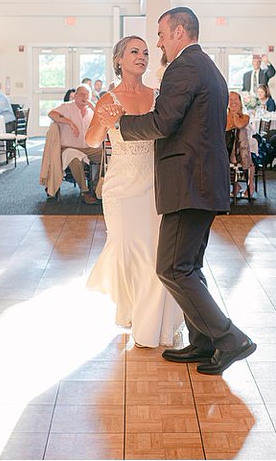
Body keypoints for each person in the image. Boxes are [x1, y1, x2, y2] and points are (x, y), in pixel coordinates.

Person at [96, 7, 255, 375]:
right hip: (201, 181)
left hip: (189, 182)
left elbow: (164, 122)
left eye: (162, 35)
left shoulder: (183, 67)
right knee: (189, 266)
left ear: (180, 32)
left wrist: (120, 123)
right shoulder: (206, 66)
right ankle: (201, 342)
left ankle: (229, 339)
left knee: (171, 267)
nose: (158, 42)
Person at [86, 36, 184, 348]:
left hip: (154, 185)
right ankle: (131, 309)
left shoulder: (158, 96)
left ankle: (150, 325)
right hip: (121, 188)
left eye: (145, 52)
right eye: (134, 52)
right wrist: (103, 123)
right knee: (127, 252)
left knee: (154, 255)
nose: (142, 57)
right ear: (119, 60)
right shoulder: (107, 99)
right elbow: (90, 140)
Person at [48, 85, 104, 204]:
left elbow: (103, 120)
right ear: (76, 95)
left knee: (105, 156)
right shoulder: (67, 107)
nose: (84, 97)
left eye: (87, 95)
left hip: (88, 148)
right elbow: (51, 114)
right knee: (74, 158)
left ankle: (96, 187)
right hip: (69, 148)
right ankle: (84, 191)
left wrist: (93, 107)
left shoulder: (91, 110)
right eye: (81, 94)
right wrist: (70, 122)